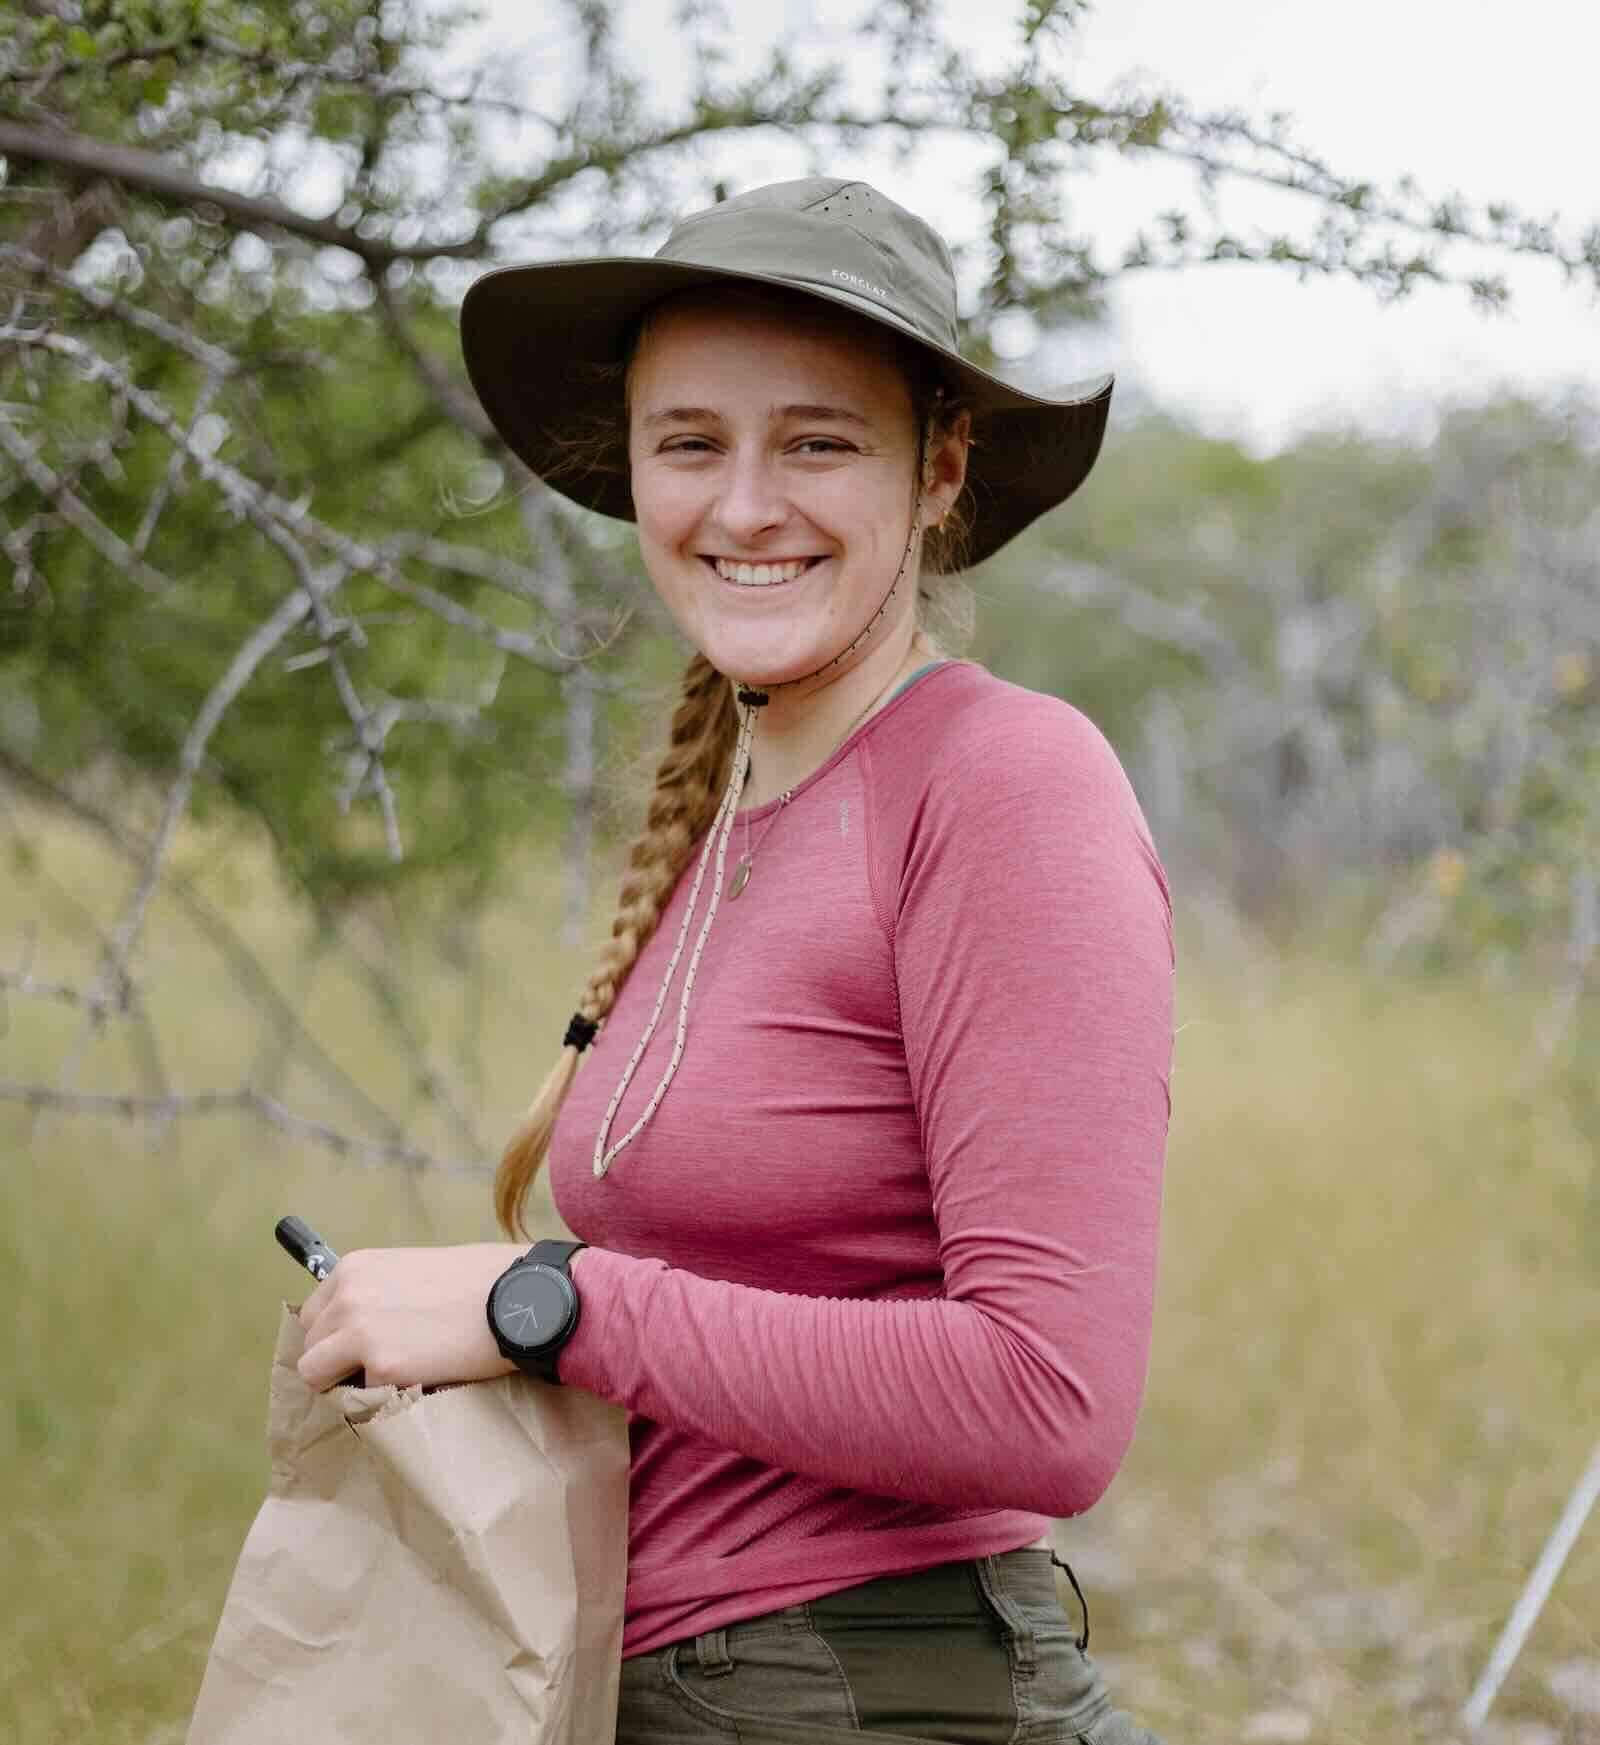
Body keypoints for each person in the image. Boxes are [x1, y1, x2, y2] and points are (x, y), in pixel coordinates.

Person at [298, 177, 1174, 1743]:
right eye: (691, 442)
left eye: (819, 440)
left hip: (877, 1685)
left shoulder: (1002, 782)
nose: (746, 504)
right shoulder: (732, 819)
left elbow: (1050, 1395)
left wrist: (545, 1302)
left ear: (939, 469)